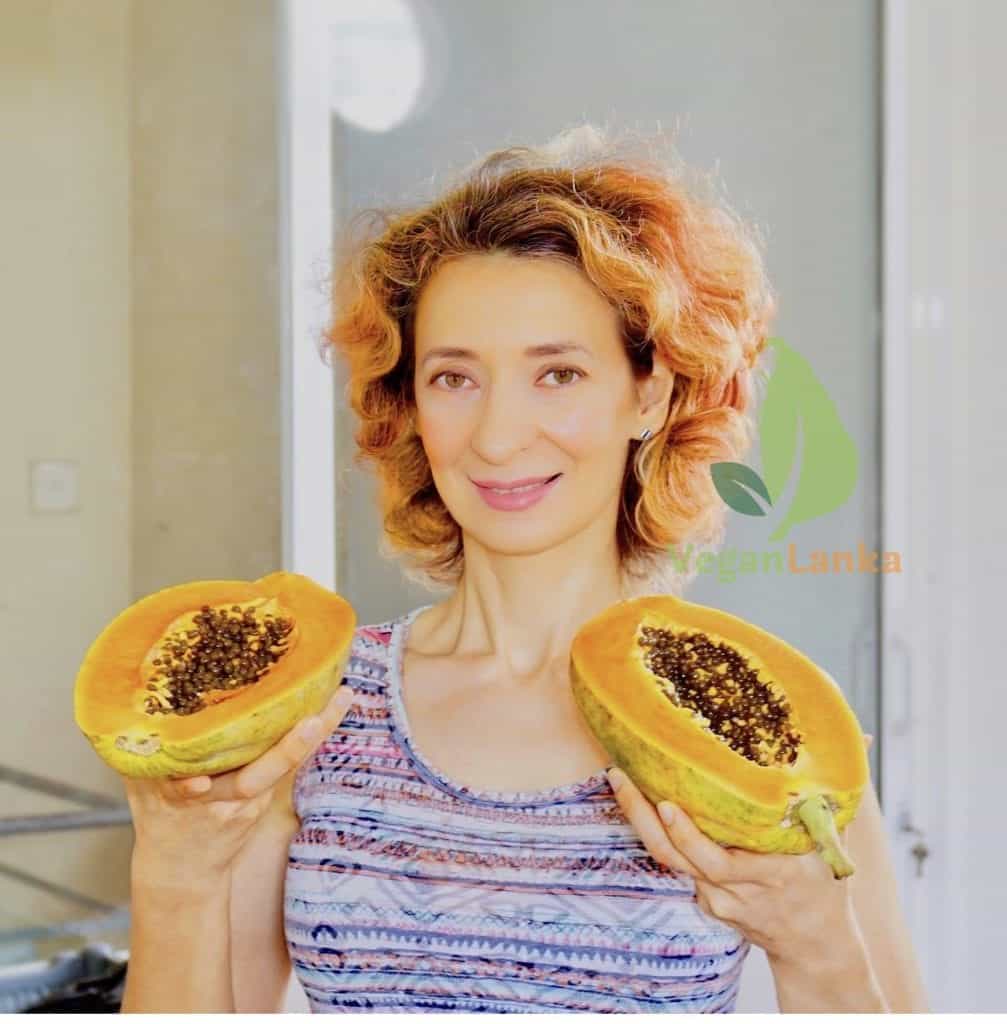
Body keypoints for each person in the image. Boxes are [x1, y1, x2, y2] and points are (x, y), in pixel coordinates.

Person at [120, 125, 929, 1013]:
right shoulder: (310, 711)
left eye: (558, 374)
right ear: (410, 404)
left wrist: (818, 948)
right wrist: (172, 873)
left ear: (649, 393)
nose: (498, 436)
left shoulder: (763, 734)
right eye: (454, 378)